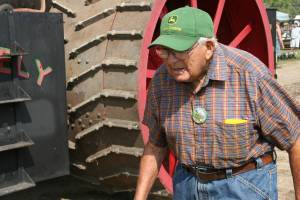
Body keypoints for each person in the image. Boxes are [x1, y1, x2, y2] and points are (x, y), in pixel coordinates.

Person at [134, 6, 300, 200]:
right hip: (186, 184)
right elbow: (155, 145)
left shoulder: (249, 75)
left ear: (209, 48)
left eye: (180, 50)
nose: (170, 60)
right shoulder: (162, 81)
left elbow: (295, 139)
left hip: (243, 186)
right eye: (165, 50)